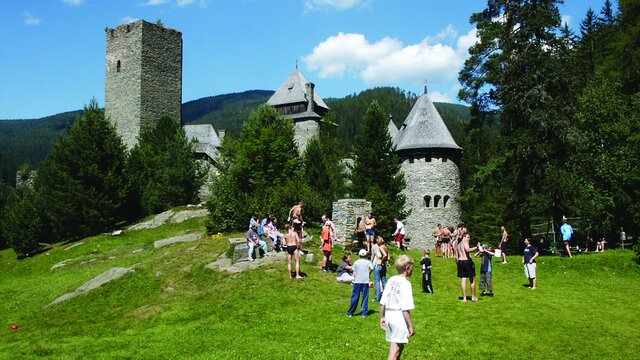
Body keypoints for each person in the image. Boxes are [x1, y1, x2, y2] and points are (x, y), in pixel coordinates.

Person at [380, 255, 415, 360]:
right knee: (394, 352)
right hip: (398, 317)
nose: (412, 269)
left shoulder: (391, 279)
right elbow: (405, 309)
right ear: (408, 268)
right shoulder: (406, 284)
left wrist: (382, 317)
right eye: (412, 267)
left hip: (389, 316)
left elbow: (383, 301)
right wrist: (411, 326)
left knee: (398, 347)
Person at [347, 249, 373, 317]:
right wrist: (369, 273)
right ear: (365, 255)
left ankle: (350, 312)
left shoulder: (356, 262)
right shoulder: (368, 262)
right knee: (365, 297)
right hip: (365, 281)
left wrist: (353, 279)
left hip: (357, 281)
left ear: (359, 255)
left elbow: (354, 271)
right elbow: (372, 268)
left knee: (355, 296)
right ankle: (364, 313)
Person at [456, 233, 480, 302]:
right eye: (468, 237)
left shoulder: (458, 245)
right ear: (464, 237)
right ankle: (473, 297)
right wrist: (476, 247)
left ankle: (464, 298)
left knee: (463, 280)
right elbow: (468, 250)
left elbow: (456, 256)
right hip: (467, 262)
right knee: (472, 279)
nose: (469, 239)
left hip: (460, 262)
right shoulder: (465, 243)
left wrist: (458, 263)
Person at [372, 236, 389, 301]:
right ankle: (387, 296)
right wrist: (384, 262)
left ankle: (377, 297)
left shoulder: (380, 247)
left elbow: (385, 255)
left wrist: (381, 261)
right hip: (383, 266)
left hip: (378, 264)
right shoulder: (385, 247)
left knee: (377, 281)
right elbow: (388, 257)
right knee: (384, 281)